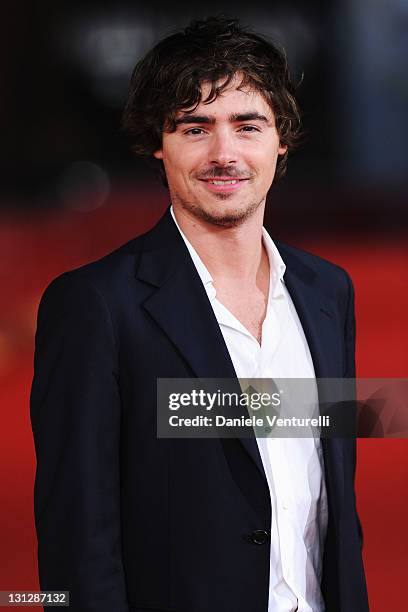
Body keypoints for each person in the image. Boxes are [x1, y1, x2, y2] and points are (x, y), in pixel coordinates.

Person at [30, 16, 369, 612]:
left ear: (280, 139)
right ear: (158, 144)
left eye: (247, 125)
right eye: (195, 127)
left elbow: (329, 498)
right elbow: (77, 536)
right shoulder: (96, 305)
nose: (224, 153)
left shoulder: (327, 291)